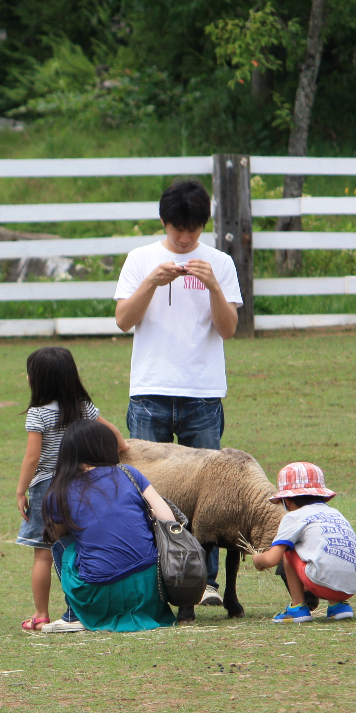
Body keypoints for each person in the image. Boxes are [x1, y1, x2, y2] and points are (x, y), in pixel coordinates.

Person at [113, 178, 243, 606]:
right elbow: (123, 320)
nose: (185, 239)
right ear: (164, 223)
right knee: (144, 488)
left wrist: (214, 287)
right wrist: (151, 282)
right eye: (176, 229)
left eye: (193, 230)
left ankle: (205, 582)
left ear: (204, 224)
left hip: (203, 393)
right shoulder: (141, 259)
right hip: (149, 389)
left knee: (209, 493)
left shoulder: (219, 262)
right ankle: (152, 575)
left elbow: (228, 329)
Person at [15, 346, 128, 634]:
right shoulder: (82, 408)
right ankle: (79, 608)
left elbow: (32, 458)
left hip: (46, 488)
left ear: (38, 380)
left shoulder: (38, 415)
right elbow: (113, 433)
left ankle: (41, 614)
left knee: (43, 553)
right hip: (80, 485)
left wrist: (20, 490)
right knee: (79, 546)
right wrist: (122, 448)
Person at [43, 420, 178, 632]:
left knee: (61, 545)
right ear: (106, 446)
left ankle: (72, 615)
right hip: (151, 589)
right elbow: (167, 518)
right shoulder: (130, 473)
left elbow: (61, 532)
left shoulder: (60, 490)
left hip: (101, 593)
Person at [252, 462, 356, 623]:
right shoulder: (334, 513)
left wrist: (257, 559)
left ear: (287, 501)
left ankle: (297, 607)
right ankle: (338, 606)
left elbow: (272, 559)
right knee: (329, 549)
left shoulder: (293, 516)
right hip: (353, 584)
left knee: (288, 550)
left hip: (322, 583)